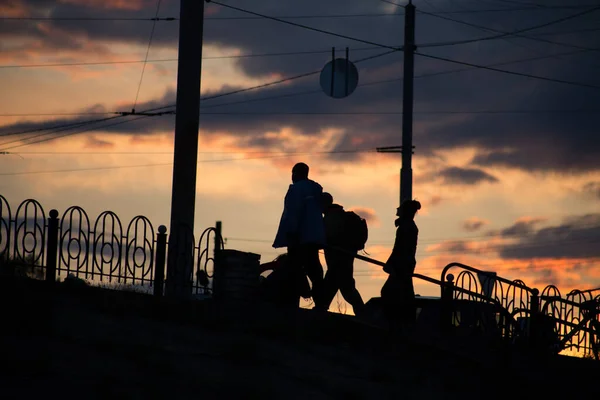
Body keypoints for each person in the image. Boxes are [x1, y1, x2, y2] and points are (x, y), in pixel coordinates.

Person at [273, 162, 326, 309]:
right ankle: (321, 303)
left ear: (296, 173)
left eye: (293, 172)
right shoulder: (315, 190)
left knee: (294, 269)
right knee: (314, 270)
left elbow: (293, 213)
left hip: (299, 238)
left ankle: (293, 303)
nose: (292, 176)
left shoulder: (296, 190)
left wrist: (291, 232)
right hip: (313, 238)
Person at [321, 192, 365, 316]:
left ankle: (365, 315)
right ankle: (364, 314)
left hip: (337, 260)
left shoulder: (331, 218)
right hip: (344, 259)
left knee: (342, 288)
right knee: (343, 288)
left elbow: (328, 238)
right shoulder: (339, 215)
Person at [381, 199, 421, 331]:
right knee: (404, 293)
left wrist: (391, 264)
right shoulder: (408, 225)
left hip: (402, 264)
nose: (397, 209)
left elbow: (399, 248)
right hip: (405, 264)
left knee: (391, 292)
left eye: (400, 207)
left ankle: (395, 323)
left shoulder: (406, 227)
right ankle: (405, 322)